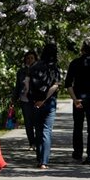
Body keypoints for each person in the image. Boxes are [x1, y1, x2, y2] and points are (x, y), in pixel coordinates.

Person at [23, 42, 61, 170]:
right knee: (46, 130)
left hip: (35, 101)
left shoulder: (35, 66)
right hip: (49, 102)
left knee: (38, 129)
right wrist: (44, 99)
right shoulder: (54, 67)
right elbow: (55, 85)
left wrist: (31, 95)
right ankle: (44, 161)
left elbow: (26, 81)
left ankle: (39, 158)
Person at [13, 49, 37, 149]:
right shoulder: (21, 71)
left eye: (32, 58)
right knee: (28, 123)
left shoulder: (38, 70)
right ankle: (32, 143)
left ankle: (38, 142)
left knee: (37, 122)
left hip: (36, 100)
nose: (30, 60)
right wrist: (14, 98)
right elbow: (17, 86)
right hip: (25, 100)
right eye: (28, 58)